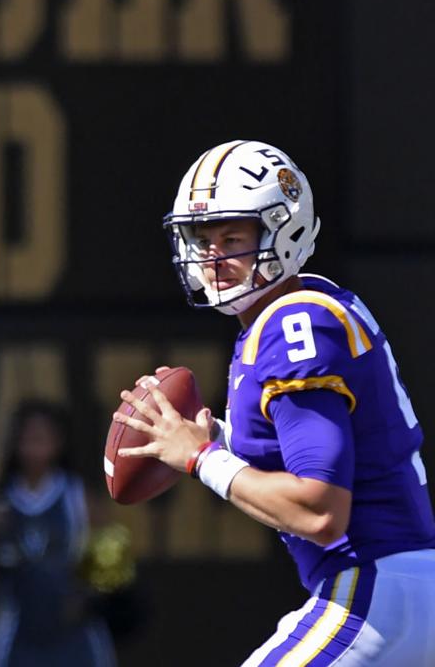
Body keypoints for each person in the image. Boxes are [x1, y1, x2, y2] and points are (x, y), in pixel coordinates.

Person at [113, 139, 435, 665]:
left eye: (232, 237)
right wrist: (215, 437)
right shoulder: (299, 313)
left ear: (285, 230)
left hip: (373, 592)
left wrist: (202, 458)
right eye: (201, 238)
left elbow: (319, 510)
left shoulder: (293, 322)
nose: (213, 257)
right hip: (398, 593)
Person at [0, 400, 117, 667]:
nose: (34, 446)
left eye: (42, 438)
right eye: (27, 438)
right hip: (20, 630)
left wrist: (88, 596)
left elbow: (112, 556)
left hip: (74, 632)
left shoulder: (78, 497)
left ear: (59, 443)